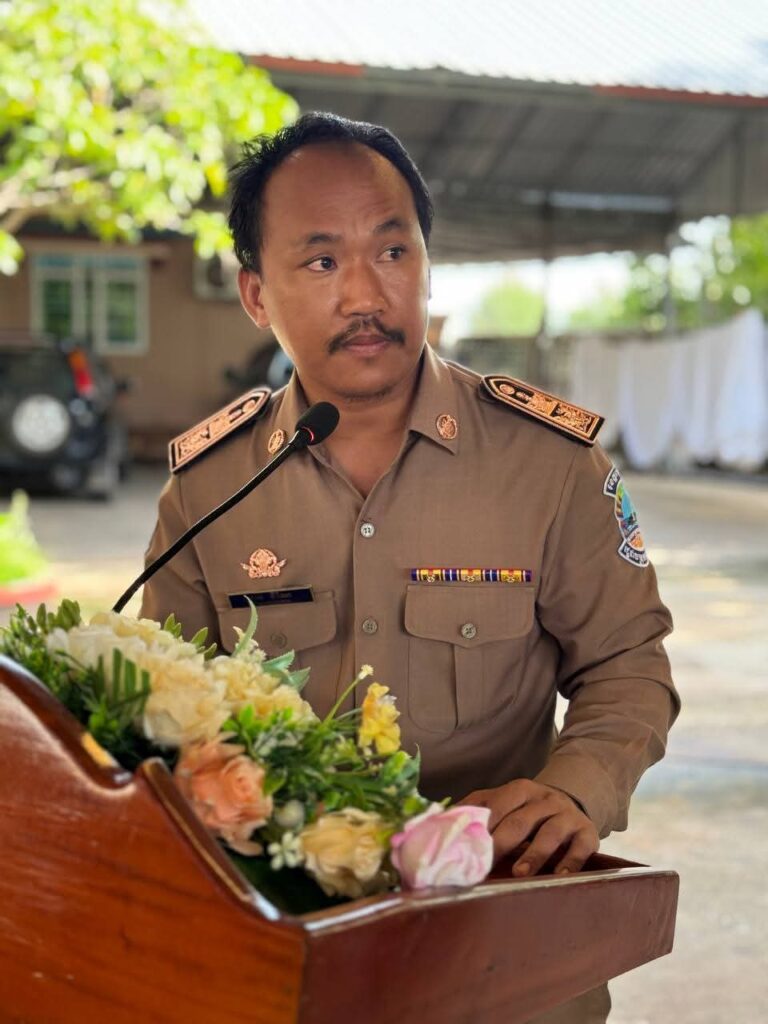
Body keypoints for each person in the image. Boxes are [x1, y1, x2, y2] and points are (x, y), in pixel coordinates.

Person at [141, 112, 679, 1024]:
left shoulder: (549, 463)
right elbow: (159, 705)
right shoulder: (211, 487)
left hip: (502, 936)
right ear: (256, 295)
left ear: (429, 264)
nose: (366, 292)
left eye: (393, 251)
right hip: (285, 941)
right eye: (321, 261)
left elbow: (629, 664)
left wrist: (574, 789)